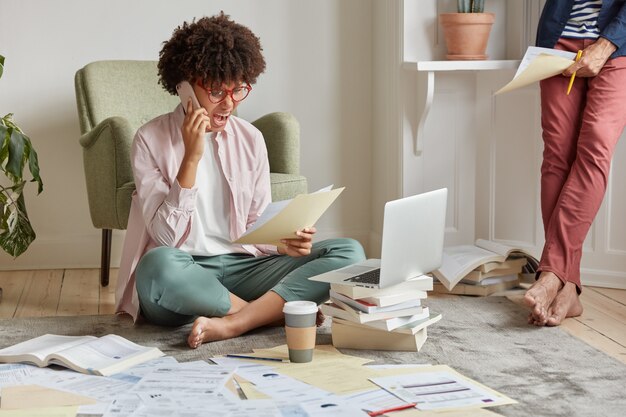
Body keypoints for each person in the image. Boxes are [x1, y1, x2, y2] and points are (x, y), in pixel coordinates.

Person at [115, 13, 365, 348]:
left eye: (238, 90)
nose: (229, 103)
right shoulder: (149, 140)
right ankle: (266, 315)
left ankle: (235, 323)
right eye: (217, 91)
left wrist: (284, 242)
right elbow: (165, 237)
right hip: (183, 273)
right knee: (155, 266)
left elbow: (253, 226)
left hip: (243, 269)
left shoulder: (250, 139)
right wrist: (191, 156)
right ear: (185, 86)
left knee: (349, 252)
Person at [524, 0, 626, 326]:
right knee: (556, 157)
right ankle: (567, 288)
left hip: (619, 46)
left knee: (595, 146)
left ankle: (551, 274)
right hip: (558, 40)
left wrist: (607, 43)